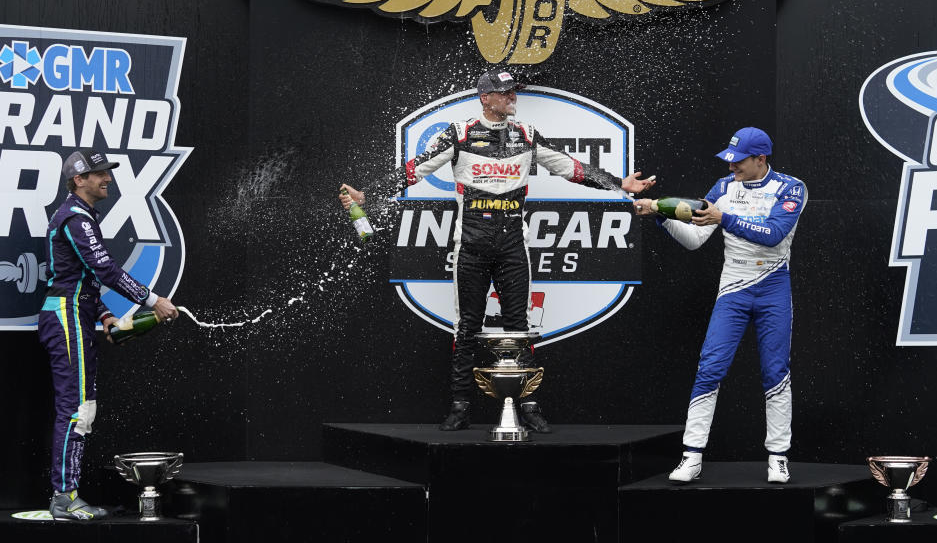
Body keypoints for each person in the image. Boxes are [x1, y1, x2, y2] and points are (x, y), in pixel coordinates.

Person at [339, 70, 655, 432]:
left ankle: (530, 405)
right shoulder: (458, 134)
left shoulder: (527, 135)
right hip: (470, 244)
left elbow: (570, 168)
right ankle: (460, 405)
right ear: (485, 98)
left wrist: (619, 184)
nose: (512, 98)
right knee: (467, 327)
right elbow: (415, 171)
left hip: (512, 245)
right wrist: (370, 196)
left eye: (513, 93)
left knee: (519, 326)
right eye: (505, 94)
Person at [633, 127, 806, 484]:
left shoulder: (792, 188)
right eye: (728, 161)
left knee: (776, 371)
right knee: (710, 368)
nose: (731, 169)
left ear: (761, 159)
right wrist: (660, 216)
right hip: (734, 290)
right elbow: (696, 239)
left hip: (773, 287)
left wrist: (724, 218)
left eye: (738, 162)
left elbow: (773, 235)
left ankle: (778, 456)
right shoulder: (723, 188)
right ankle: (691, 455)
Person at [37, 149, 179, 520]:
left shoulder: (82, 217)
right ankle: (63, 497)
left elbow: (83, 277)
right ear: (78, 180)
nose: (108, 179)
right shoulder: (75, 217)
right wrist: (153, 300)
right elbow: (104, 269)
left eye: (107, 172)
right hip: (65, 316)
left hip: (77, 313)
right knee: (76, 411)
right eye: (99, 173)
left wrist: (105, 316)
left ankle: (66, 495)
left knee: (84, 410)